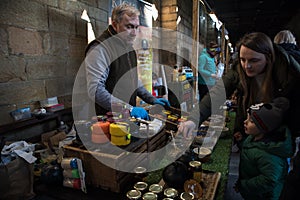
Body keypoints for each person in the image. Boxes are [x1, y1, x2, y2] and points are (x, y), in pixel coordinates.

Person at [178, 32, 300, 147]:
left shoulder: (288, 74)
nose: (247, 66)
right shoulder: (238, 70)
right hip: (248, 135)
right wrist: (193, 120)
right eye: (243, 59)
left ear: (268, 58)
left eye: (254, 60)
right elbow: (217, 93)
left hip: (276, 140)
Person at [84, 3, 169, 120]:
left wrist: (151, 99)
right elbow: (96, 90)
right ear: (115, 25)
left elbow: (133, 79)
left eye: (136, 27)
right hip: (106, 120)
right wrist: (129, 109)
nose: (134, 33)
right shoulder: (101, 48)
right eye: (129, 27)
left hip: (126, 118)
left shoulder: (129, 49)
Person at [234, 97, 293, 200]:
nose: (245, 122)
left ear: (264, 127)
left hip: (263, 196)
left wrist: (244, 185)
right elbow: (251, 150)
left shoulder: (269, 155)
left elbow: (269, 180)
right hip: (253, 193)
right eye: (247, 118)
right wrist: (241, 142)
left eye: (251, 121)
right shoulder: (255, 137)